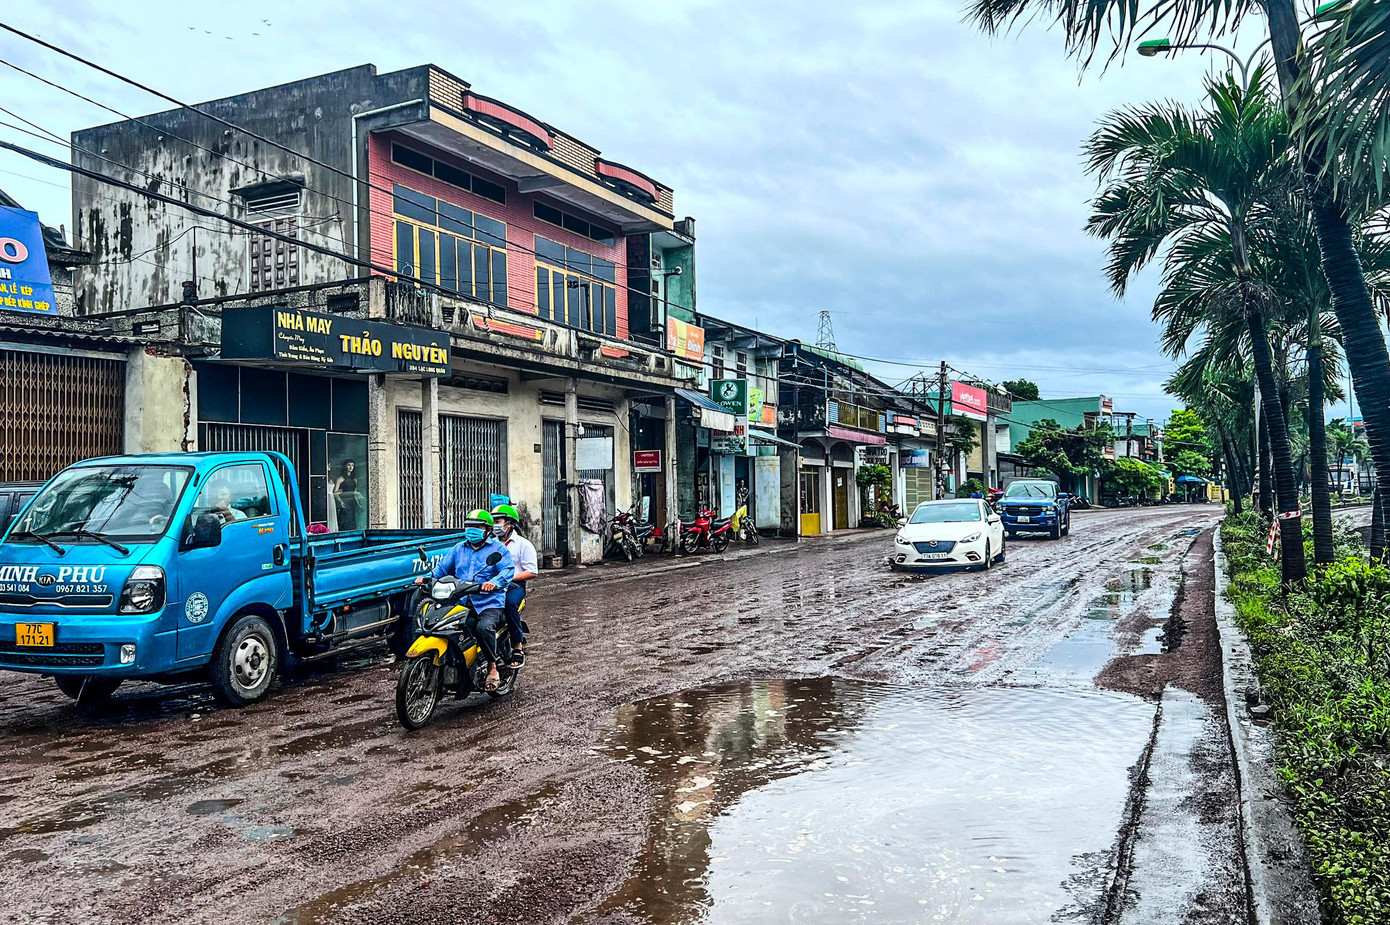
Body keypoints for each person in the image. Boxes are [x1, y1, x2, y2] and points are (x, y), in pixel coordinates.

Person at [417, 510, 514, 691]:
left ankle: (492, 667)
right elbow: (442, 569)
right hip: (460, 600)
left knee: (483, 628)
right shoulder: (458, 549)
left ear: (488, 530)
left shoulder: (498, 549)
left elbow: (507, 570)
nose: (471, 530)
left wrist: (493, 583)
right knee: (440, 625)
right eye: (469, 526)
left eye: (477, 526)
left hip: (488, 602)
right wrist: (427, 578)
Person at [491, 503, 537, 669]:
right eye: (493, 521)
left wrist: (506, 579)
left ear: (509, 523)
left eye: (498, 521)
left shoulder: (523, 544)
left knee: (509, 604)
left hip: (514, 586)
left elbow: (532, 571)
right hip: (491, 585)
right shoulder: (490, 544)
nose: (495, 525)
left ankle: (517, 646)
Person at [333, 460, 362, 530]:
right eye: (349, 465)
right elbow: (335, 493)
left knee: (352, 522)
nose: (351, 467)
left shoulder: (354, 479)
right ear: (345, 466)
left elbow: (355, 492)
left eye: (352, 465)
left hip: (352, 503)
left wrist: (358, 504)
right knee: (344, 521)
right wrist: (340, 501)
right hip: (344, 502)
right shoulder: (340, 479)